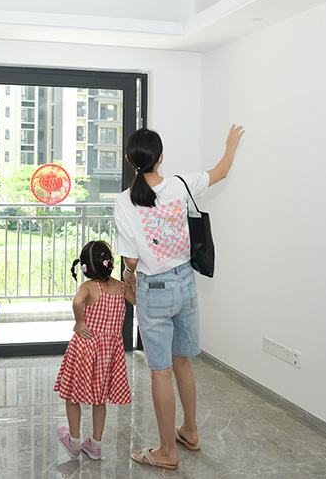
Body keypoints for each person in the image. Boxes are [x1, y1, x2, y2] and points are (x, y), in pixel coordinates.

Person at [115, 126, 244, 471]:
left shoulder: (124, 201)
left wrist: (128, 275)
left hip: (155, 290)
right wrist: (230, 145)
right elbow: (221, 171)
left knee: (161, 372)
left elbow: (131, 260)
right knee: (183, 362)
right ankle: (190, 431)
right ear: (161, 158)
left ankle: (167, 452)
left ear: (128, 159)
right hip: (186, 283)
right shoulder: (181, 184)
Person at [54, 241, 135, 460]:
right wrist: (134, 283)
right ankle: (95, 445)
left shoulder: (88, 287)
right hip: (109, 351)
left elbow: (77, 302)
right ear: (110, 263)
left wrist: (80, 322)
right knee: (100, 398)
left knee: (73, 394)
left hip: (85, 347)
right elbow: (137, 300)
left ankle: (74, 441)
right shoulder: (120, 287)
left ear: (85, 268)